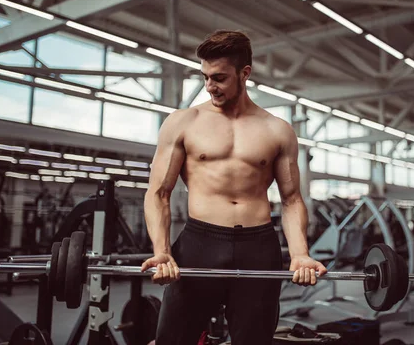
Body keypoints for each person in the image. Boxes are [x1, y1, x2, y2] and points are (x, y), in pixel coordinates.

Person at [140, 29, 327, 345]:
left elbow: (292, 199)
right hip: (200, 243)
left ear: (245, 74)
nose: (209, 85)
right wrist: (162, 251)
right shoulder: (183, 122)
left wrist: (299, 254)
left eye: (219, 77)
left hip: (258, 247)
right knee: (173, 339)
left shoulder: (277, 130)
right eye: (205, 77)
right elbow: (158, 193)